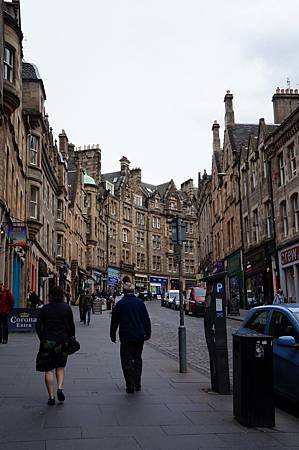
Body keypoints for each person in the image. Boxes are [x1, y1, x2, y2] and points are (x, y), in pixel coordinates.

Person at [35, 286, 76, 405]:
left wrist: (42, 338)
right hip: (63, 341)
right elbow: (71, 326)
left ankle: (51, 397)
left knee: (48, 369)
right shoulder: (66, 308)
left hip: (48, 340)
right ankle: (60, 389)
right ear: (62, 295)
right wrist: (71, 337)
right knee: (60, 367)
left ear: (50, 295)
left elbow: (38, 326)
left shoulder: (45, 309)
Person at [110, 279, 151, 394]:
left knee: (126, 360)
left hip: (126, 336)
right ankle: (137, 382)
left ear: (123, 291)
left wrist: (112, 334)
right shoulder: (140, 303)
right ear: (134, 291)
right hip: (139, 336)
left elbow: (114, 322)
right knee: (137, 359)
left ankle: (130, 384)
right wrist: (148, 333)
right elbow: (146, 320)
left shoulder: (120, 304)